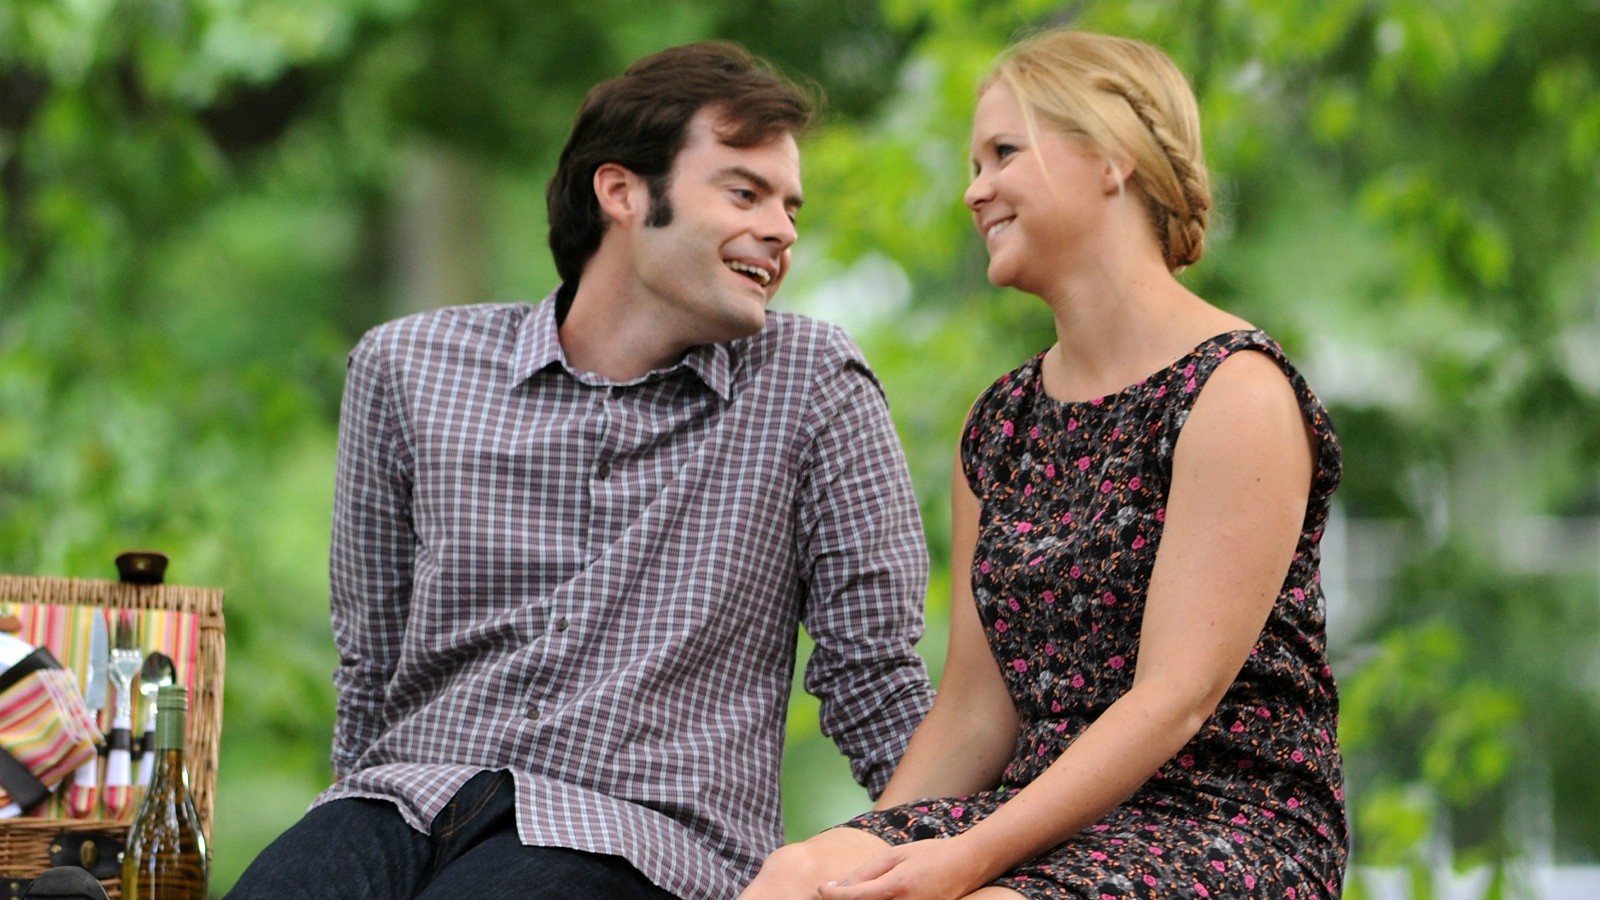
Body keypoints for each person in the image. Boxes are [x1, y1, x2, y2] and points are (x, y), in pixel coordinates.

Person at [225, 41, 933, 900]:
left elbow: (874, 677)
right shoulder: (408, 368)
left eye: (790, 206)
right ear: (621, 191)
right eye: (745, 193)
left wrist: (965, 857)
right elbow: (369, 666)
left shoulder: (812, 384)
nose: (783, 230)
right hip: (401, 801)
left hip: (636, 839)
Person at [740, 26, 1347, 900]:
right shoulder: (1000, 425)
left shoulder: (1235, 392)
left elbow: (1172, 701)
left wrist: (969, 857)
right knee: (796, 876)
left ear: (1113, 157)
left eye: (1003, 153)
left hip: (1222, 820)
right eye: (974, 164)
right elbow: (973, 714)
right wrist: (867, 862)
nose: (974, 190)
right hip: (1035, 818)